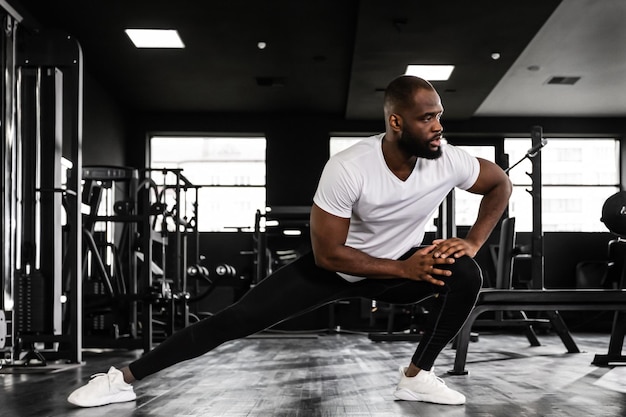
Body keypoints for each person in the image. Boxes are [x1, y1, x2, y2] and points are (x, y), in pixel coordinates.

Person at [67, 75, 512, 407]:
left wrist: (472, 242)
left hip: (397, 267)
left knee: (465, 274)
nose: (438, 126)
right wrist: (403, 268)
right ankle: (121, 380)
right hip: (336, 268)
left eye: (439, 115)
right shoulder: (350, 167)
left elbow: (500, 185)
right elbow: (328, 253)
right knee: (234, 321)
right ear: (397, 121)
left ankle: (417, 376)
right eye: (427, 117)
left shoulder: (448, 159)